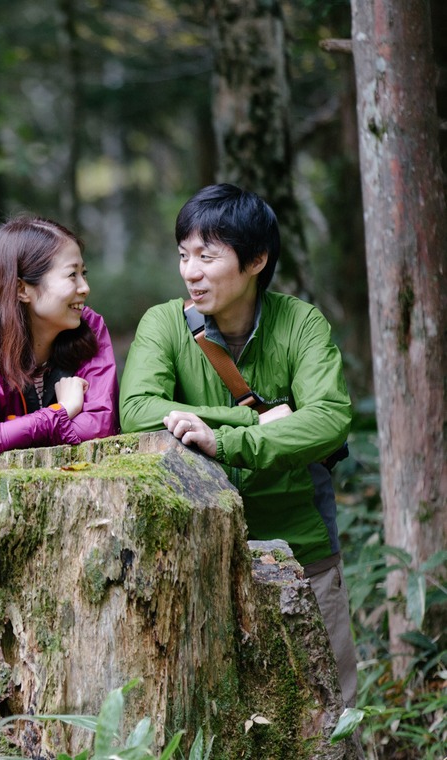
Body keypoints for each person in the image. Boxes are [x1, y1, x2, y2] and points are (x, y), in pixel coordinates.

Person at [119, 183, 357, 705]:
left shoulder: (301, 323)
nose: (191, 271)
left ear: (256, 260)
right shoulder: (164, 324)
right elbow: (136, 411)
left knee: (330, 709)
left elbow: (330, 418)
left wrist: (226, 443)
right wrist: (251, 421)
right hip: (195, 556)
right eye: (184, 255)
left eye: (207, 257)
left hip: (301, 549)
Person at [0, 215, 119, 455]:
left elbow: (99, 426)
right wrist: (62, 411)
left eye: (83, 273)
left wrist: (15, 432)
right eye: (71, 275)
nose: (85, 287)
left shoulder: (90, 327)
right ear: (22, 289)